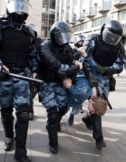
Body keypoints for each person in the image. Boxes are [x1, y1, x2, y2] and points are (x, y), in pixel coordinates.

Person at [0, 0, 37, 161]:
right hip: (3, 77)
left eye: (23, 9)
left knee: (24, 113)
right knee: (6, 110)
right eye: (17, 8)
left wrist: (34, 70)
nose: (20, 12)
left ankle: (21, 150)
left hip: (22, 76)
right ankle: (8, 136)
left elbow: (33, 54)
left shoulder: (29, 33)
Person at [80, 20, 125, 149]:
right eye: (110, 36)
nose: (112, 39)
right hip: (90, 74)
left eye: (115, 38)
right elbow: (85, 58)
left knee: (101, 103)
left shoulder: (119, 46)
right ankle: (98, 138)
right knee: (96, 101)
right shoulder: (93, 39)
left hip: (105, 77)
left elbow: (119, 66)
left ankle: (88, 118)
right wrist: (91, 74)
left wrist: (106, 70)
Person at [37, 21, 81, 154]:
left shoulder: (67, 48)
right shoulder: (45, 47)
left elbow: (74, 59)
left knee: (63, 107)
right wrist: (77, 66)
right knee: (52, 111)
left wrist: (78, 59)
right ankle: (53, 142)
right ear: (54, 35)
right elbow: (59, 69)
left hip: (60, 83)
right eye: (61, 36)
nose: (64, 40)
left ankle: (55, 122)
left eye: (66, 37)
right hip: (46, 83)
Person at [67, 34, 86, 125]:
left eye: (82, 42)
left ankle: (72, 113)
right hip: (74, 75)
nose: (81, 43)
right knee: (71, 95)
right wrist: (79, 52)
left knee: (79, 97)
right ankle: (69, 112)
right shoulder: (73, 50)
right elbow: (71, 59)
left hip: (83, 77)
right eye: (79, 42)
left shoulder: (85, 51)